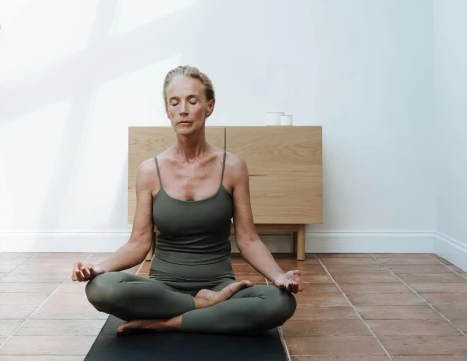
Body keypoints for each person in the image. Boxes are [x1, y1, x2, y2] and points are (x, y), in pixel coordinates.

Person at [72, 66, 301, 335]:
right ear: (167, 110)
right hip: (162, 289)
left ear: (209, 106)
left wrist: (278, 276)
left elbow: (249, 240)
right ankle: (204, 307)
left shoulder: (233, 166)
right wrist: (99, 267)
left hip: (219, 285)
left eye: (192, 101)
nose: (183, 109)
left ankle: (167, 322)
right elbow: (138, 243)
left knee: (280, 303)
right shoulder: (149, 170)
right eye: (175, 102)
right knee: (101, 288)